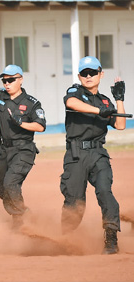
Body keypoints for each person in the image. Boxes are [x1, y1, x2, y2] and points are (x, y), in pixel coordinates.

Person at [60, 56, 127, 254]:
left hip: (98, 153)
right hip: (76, 154)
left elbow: (120, 125)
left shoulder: (105, 101)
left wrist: (119, 100)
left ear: (101, 74)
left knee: (105, 192)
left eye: (92, 73)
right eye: (84, 73)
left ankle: (111, 238)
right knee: (74, 202)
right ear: (79, 76)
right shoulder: (75, 92)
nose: (88, 76)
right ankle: (65, 239)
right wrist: (101, 111)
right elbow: (72, 103)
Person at [0, 65, 46, 229]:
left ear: (20, 80)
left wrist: (22, 123)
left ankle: (21, 219)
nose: (7, 83)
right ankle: (20, 212)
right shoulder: (0, 96)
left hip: (24, 150)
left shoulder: (31, 103)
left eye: (11, 80)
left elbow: (40, 126)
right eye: (4, 80)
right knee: (1, 188)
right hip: (5, 150)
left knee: (11, 183)